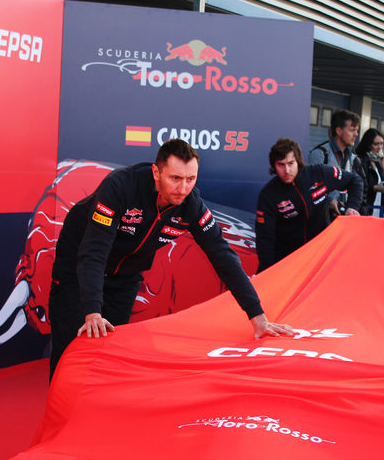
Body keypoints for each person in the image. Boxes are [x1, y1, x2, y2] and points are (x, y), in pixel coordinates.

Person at [48, 139, 293, 378]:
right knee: (73, 341)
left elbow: (223, 256)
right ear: (156, 172)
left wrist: (257, 316)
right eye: (175, 178)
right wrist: (92, 310)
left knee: (110, 346)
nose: (183, 188)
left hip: (125, 275)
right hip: (79, 265)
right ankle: (61, 407)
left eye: (191, 179)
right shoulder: (120, 187)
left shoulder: (191, 204)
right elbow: (94, 251)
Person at [256, 138, 364, 271]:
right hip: (288, 260)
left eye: (291, 163)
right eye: (281, 165)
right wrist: (269, 270)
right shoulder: (268, 195)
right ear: (274, 165)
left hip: (321, 255)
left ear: (298, 161)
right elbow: (265, 240)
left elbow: (355, 180)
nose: (287, 170)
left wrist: (352, 207)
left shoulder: (318, 173)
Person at [309, 109, 363, 216]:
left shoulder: (353, 157)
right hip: (324, 217)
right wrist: (329, 201)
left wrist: (352, 206)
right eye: (352, 130)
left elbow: (358, 185)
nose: (356, 134)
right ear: (338, 131)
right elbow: (310, 187)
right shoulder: (320, 154)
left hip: (345, 216)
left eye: (357, 130)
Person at [355, 128, 384, 217]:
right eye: (376, 144)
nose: (379, 147)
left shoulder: (378, 161)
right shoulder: (360, 160)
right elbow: (359, 185)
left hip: (379, 209)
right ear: (368, 144)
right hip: (366, 208)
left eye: (381, 143)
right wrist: (374, 188)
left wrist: (383, 166)